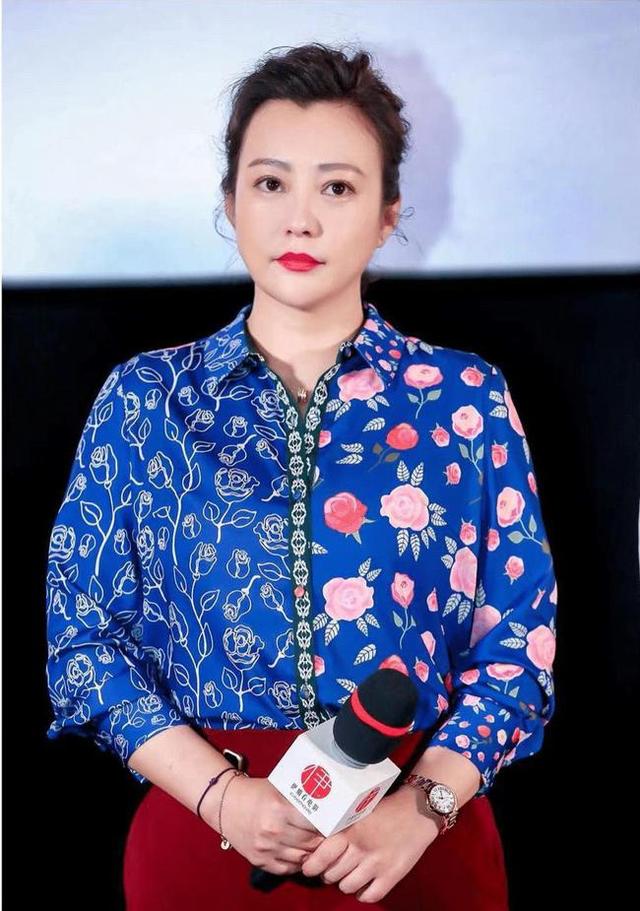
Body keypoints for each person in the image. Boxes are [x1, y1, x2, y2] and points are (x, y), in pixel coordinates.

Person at [44, 42, 557, 910]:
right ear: (231, 201)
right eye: (271, 183)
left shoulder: (466, 398)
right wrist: (223, 796)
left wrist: (420, 808)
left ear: (388, 213)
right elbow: (82, 640)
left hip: (415, 844)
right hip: (206, 836)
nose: (300, 220)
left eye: (338, 187)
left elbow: (519, 646)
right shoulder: (145, 398)